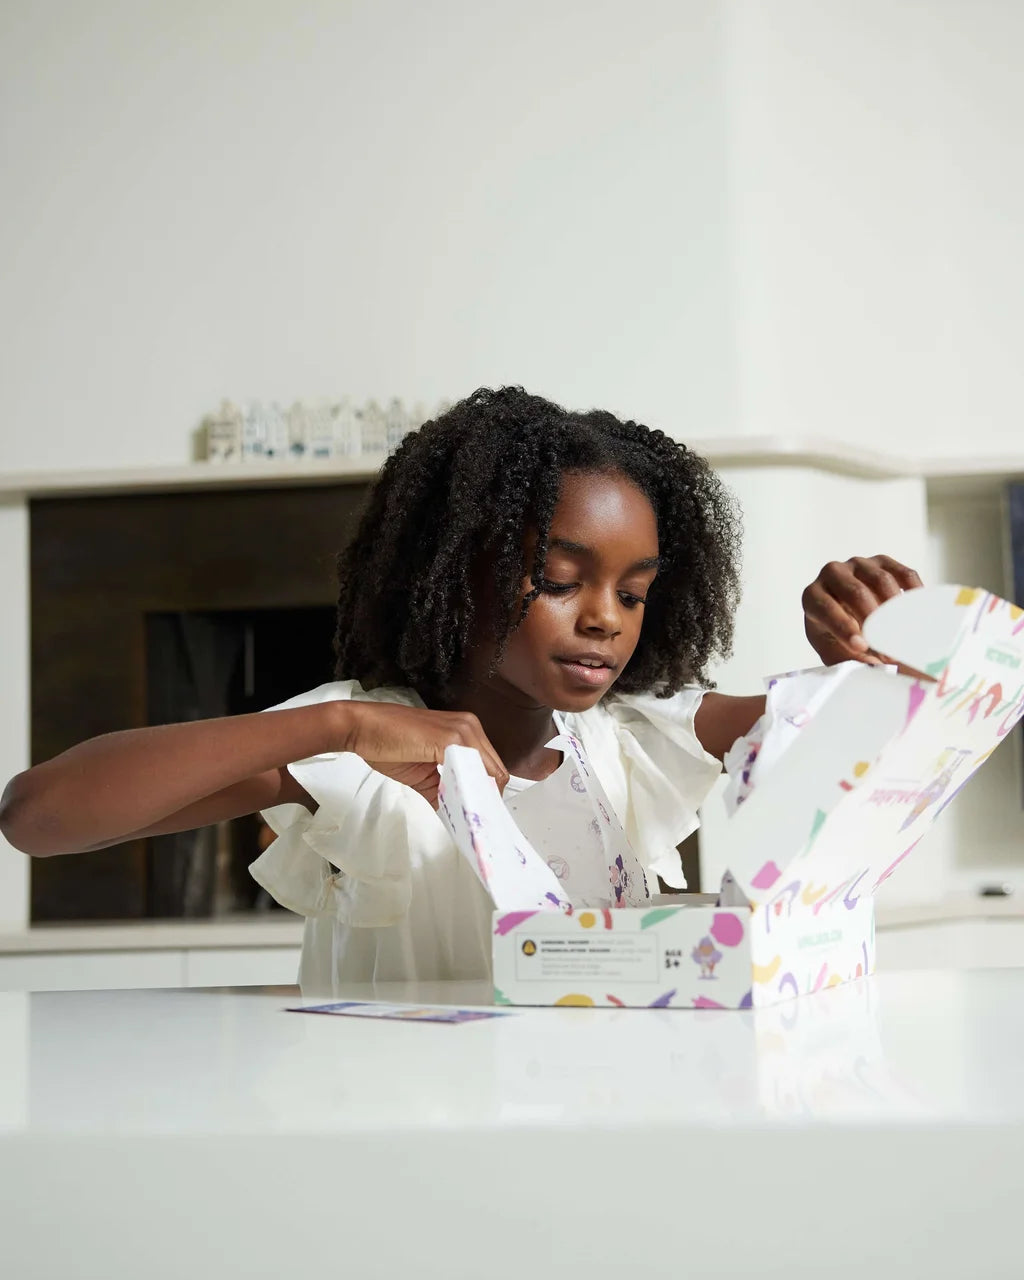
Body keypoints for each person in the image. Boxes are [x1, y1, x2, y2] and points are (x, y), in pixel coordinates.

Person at [0, 387, 921, 989]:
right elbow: (38, 815)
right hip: (404, 1140)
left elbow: (858, 720)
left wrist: (864, 648)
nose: (606, 617)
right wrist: (343, 724)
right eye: (562, 581)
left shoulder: (629, 739)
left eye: (633, 592)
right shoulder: (364, 755)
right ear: (450, 572)